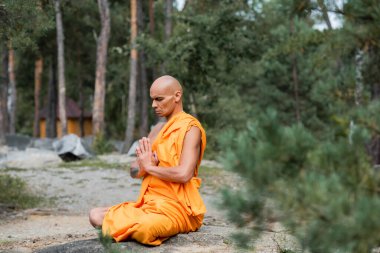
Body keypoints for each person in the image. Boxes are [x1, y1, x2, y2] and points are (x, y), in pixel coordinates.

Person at [88, 75, 207, 246]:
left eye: (159, 99)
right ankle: (127, 227)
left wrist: (150, 168)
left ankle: (122, 228)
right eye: (152, 100)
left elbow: (184, 174)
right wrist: (143, 165)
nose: (154, 105)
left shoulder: (191, 128)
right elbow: (134, 171)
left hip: (177, 209)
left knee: (145, 228)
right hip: (149, 205)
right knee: (95, 215)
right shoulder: (157, 130)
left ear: (177, 96)